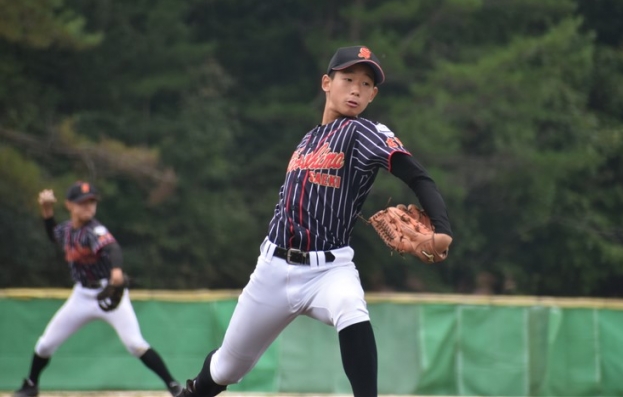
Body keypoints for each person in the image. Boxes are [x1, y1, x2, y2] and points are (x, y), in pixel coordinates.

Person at [177, 45, 454, 397]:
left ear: (373, 95)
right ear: (327, 83)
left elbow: (417, 176)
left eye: (366, 84)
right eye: (348, 79)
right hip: (273, 268)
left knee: (351, 308)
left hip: (329, 269)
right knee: (226, 368)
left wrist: (443, 229)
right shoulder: (307, 140)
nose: (356, 89)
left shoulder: (365, 132)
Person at [13, 181, 183, 397]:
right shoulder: (67, 230)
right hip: (81, 296)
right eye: (82, 202)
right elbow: (53, 235)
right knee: (46, 344)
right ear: (69, 205)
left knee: (135, 344)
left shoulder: (94, 230)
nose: (88, 207)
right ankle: (31, 385)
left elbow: (112, 248)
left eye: (92, 202)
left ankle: (173, 386)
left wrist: (116, 271)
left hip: (108, 293)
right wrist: (47, 211)